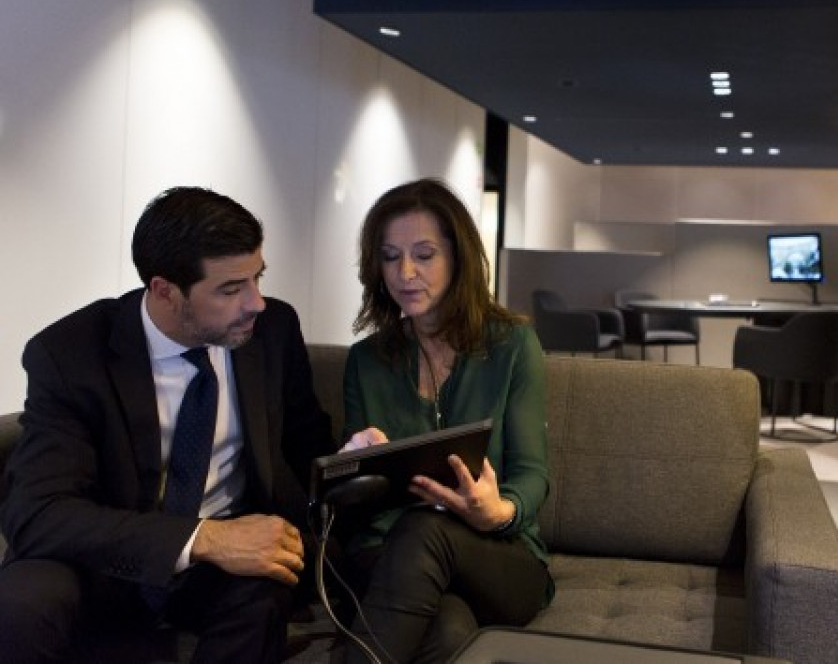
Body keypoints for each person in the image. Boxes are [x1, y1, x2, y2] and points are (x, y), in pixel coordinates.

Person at [0, 187, 335, 663]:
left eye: (257, 278)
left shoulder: (273, 330)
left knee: (264, 592)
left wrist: (353, 460)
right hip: (105, 557)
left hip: (223, 562)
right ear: (165, 291)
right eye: (230, 289)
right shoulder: (70, 354)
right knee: (21, 606)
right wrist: (202, 539)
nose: (256, 303)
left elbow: (307, 445)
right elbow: (38, 512)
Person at [340, 178, 552, 663]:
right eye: (390, 256)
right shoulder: (366, 361)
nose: (405, 273)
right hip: (389, 553)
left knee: (427, 530)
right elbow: (353, 497)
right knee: (450, 631)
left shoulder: (513, 346)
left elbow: (533, 473)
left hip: (495, 554)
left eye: (424, 255)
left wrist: (499, 511)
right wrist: (352, 463)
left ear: (459, 258)